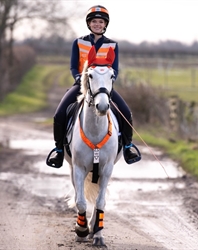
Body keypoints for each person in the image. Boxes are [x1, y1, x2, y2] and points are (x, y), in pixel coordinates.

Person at [48, 5, 141, 168]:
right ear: (89, 24)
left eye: (100, 22)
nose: (97, 24)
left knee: (126, 112)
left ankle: (127, 147)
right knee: (59, 114)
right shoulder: (79, 42)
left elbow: (115, 69)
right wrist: (79, 78)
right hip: (82, 86)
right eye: (94, 21)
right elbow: (73, 67)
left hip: (104, 88)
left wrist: (108, 84)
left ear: (105, 24)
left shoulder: (112, 45)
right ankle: (59, 150)